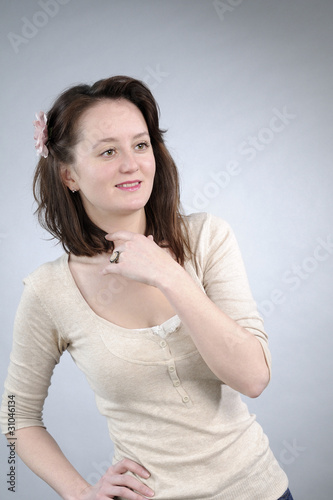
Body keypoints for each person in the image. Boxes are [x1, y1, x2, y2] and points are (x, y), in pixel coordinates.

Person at [0, 76, 293, 500]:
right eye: (108, 151)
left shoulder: (208, 238)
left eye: (140, 145)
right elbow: (15, 416)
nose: (131, 164)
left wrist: (168, 274)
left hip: (261, 490)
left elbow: (253, 377)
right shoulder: (49, 290)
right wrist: (79, 493)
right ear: (68, 175)